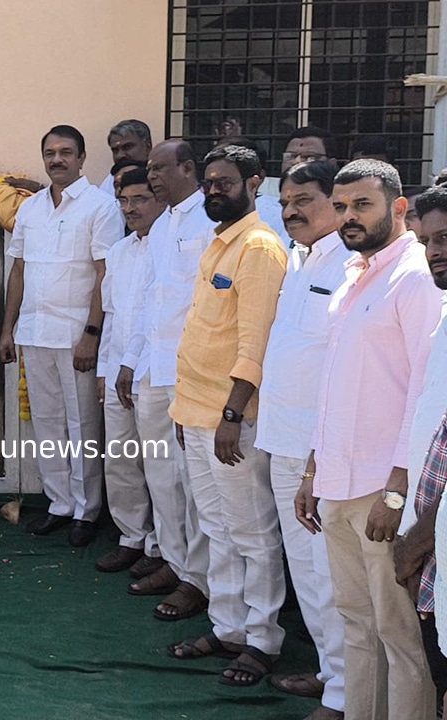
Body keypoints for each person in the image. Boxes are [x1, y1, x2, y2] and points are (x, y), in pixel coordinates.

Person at [297, 159, 440, 720]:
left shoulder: (416, 276)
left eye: (362, 205)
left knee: (398, 636)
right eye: (341, 207)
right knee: (356, 624)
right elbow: (334, 387)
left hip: (384, 492)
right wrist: (314, 471)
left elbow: (422, 396)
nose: (348, 217)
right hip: (338, 482)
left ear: (398, 207)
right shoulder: (355, 274)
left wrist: (397, 491)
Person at [165, 145, 288, 689]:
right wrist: (184, 409)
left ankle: (262, 640)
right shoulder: (219, 243)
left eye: (226, 182)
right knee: (215, 527)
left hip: (230, 418)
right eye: (210, 182)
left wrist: (232, 413)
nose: (215, 190)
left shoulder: (259, 248)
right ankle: (228, 626)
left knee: (252, 531)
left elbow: (253, 341)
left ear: (254, 183)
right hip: (195, 412)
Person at [255, 160, 349, 718]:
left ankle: (343, 694)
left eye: (305, 200)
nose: (292, 211)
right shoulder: (297, 258)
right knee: (306, 574)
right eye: (285, 201)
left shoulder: (350, 266)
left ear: (335, 202)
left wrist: (319, 453)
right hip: (282, 438)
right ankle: (329, 673)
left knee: (327, 575)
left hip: (321, 450)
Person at [0, 124, 120, 548]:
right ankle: (59, 504)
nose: (57, 160)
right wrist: (7, 328)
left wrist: (92, 333)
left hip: (76, 337)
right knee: (47, 424)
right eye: (50, 152)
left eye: (66, 152)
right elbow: (18, 270)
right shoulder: (30, 208)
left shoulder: (100, 207)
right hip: (34, 332)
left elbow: (105, 274)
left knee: (83, 425)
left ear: (83, 158)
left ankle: (87, 510)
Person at [117, 139, 214, 620]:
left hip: (191, 372)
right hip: (154, 368)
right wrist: (130, 361)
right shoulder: (162, 227)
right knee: (161, 474)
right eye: (149, 168)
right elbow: (150, 301)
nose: (151, 176)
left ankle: (200, 578)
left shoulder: (210, 220)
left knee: (193, 481)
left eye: (159, 168)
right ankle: (175, 563)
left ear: (188, 169)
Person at [98, 167, 166, 575]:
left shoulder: (169, 247)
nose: (130, 208)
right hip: (117, 367)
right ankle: (131, 536)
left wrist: (129, 365)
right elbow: (112, 315)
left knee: (158, 464)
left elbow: (153, 317)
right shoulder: (119, 252)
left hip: (151, 371)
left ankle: (160, 547)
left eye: (139, 199)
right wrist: (108, 368)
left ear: (158, 199)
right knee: (120, 458)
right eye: (124, 201)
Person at [395, 187, 447, 714]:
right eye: (426, 240)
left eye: (446, 238)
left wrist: (416, 540)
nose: (435, 251)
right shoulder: (445, 316)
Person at [100, 119, 152, 194]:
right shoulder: (109, 182)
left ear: (147, 147)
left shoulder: (160, 178)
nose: (120, 155)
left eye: (127, 147)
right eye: (115, 150)